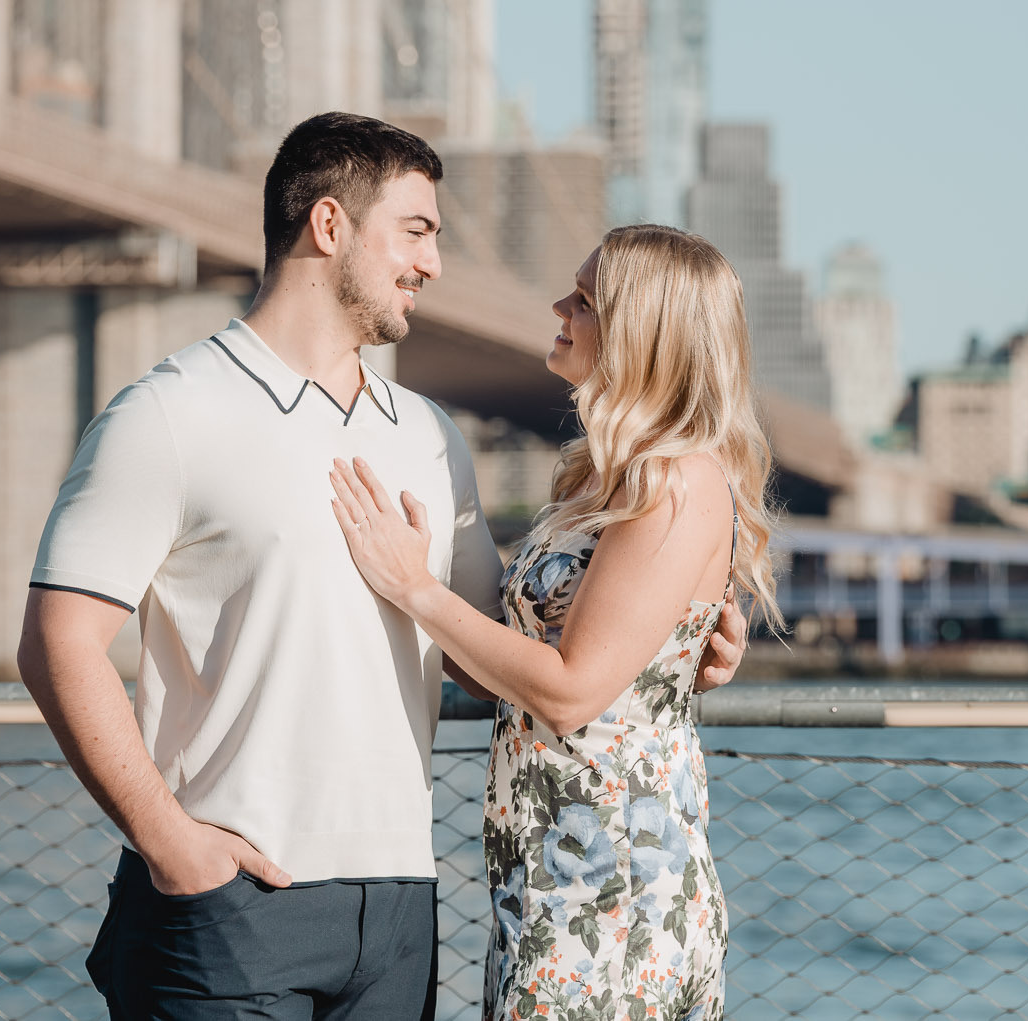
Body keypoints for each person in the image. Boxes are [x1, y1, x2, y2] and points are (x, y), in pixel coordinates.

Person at [15, 114, 747, 1021]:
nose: (435, 264)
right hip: (231, 898)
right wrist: (170, 844)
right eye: (417, 231)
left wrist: (674, 647)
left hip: (402, 910)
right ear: (329, 227)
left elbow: (503, 660)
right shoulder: (169, 413)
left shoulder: (433, 438)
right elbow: (59, 641)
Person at [328, 224, 781, 1021]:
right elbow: (519, 664)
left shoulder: (676, 482)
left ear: (642, 332)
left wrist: (413, 586)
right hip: (547, 883)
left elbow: (570, 693)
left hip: (618, 901)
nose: (558, 306)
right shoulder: (604, 481)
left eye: (585, 298)